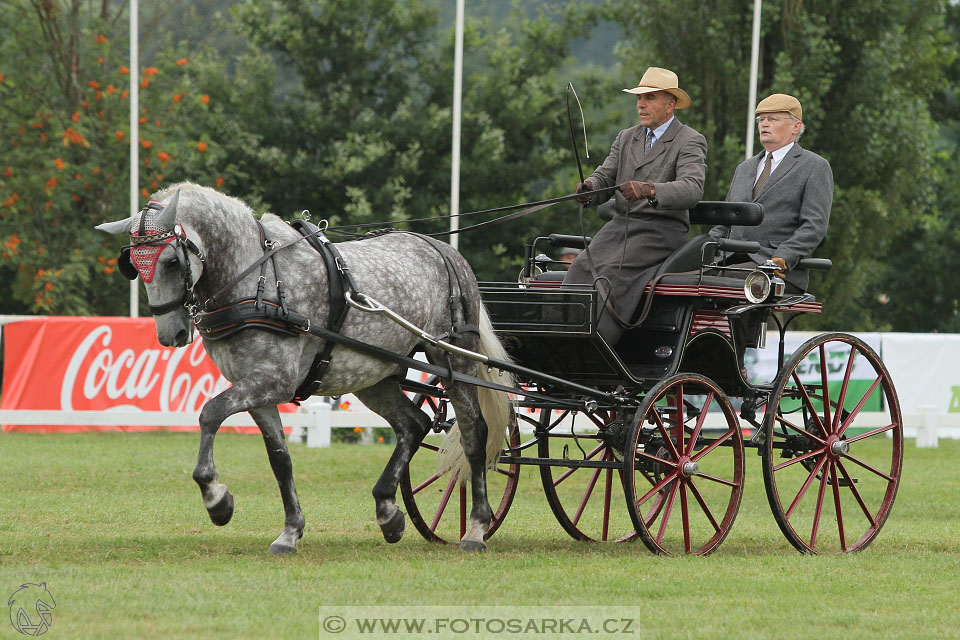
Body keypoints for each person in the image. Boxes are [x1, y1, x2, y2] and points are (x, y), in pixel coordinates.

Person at [563, 66, 706, 345]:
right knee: (579, 268)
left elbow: (692, 188)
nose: (641, 104)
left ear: (670, 104)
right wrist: (589, 189)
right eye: (639, 98)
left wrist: (649, 189)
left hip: (661, 231)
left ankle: (600, 344)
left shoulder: (689, 140)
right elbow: (605, 175)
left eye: (650, 98)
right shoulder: (626, 137)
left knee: (610, 272)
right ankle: (566, 339)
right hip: (620, 227)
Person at [709, 93, 833, 373]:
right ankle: (691, 360)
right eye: (761, 119)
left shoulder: (814, 167)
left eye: (772, 119)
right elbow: (726, 221)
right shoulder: (745, 169)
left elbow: (814, 225)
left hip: (777, 269)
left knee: (730, 285)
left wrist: (783, 257)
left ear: (795, 127)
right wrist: (704, 248)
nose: (764, 124)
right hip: (731, 264)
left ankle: (731, 366)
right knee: (679, 283)